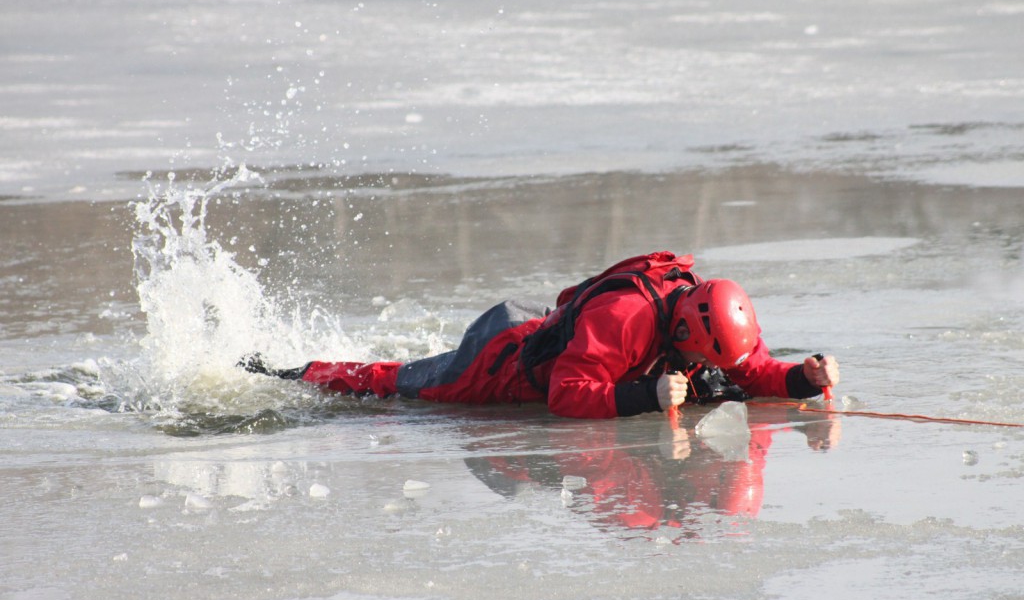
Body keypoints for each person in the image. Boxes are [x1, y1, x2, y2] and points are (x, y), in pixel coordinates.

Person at [240, 250, 840, 419]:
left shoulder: (706, 312)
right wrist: (644, 396)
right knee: (394, 384)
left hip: (540, 326)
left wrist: (799, 378)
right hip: (495, 364)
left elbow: (748, 365)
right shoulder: (627, 320)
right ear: (683, 327)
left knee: (401, 377)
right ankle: (290, 376)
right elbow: (566, 393)